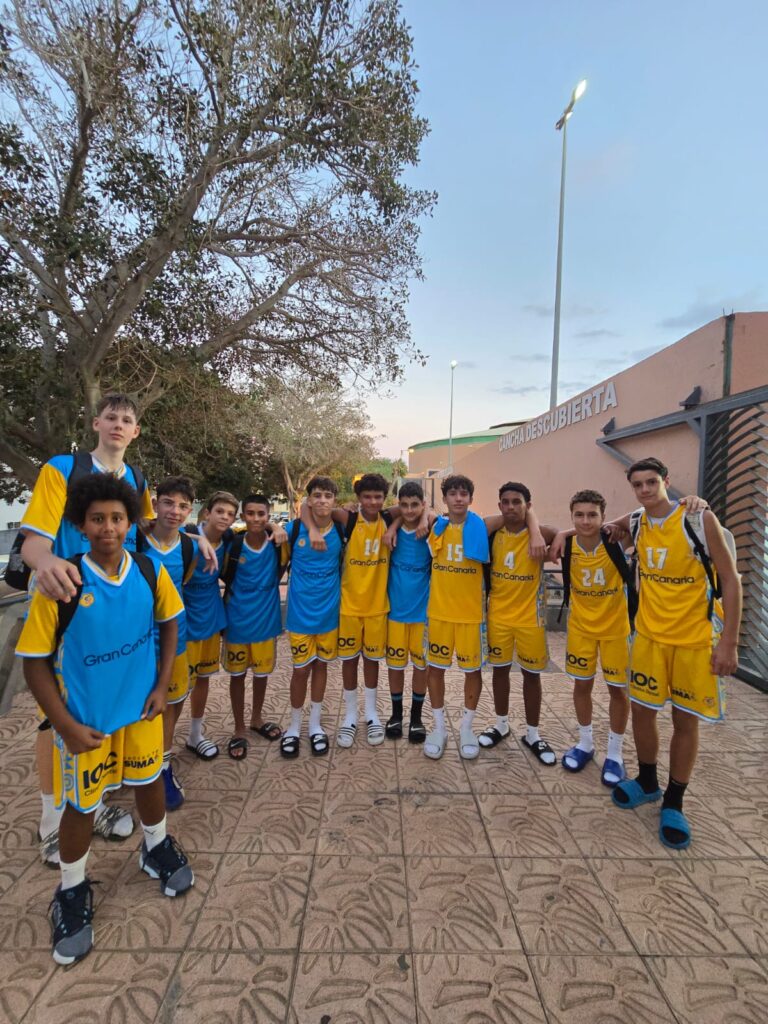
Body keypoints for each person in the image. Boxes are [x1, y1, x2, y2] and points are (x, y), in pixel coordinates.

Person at [15, 473, 193, 965]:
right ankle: (71, 890)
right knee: (82, 807)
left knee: (150, 779)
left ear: (131, 521)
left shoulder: (147, 571)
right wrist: (65, 727)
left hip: (139, 713)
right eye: (98, 519)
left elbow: (169, 622)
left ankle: (155, 847)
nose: (109, 527)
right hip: (87, 723)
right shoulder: (63, 583)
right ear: (82, 524)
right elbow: (34, 662)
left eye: (117, 518)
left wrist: (160, 686)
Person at [18, 393, 152, 863]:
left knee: (101, 706)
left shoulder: (136, 479)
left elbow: (144, 541)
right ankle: (52, 818)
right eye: (111, 417)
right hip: (65, 607)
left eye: (127, 419)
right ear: (96, 422)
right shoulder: (61, 468)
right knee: (54, 713)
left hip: (111, 615)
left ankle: (87, 804)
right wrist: (50, 563)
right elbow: (33, 545)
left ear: (136, 431)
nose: (118, 424)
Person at [608, 457, 741, 850]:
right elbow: (610, 524)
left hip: (694, 641)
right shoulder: (637, 522)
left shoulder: (699, 521)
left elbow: (731, 582)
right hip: (648, 638)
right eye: (638, 485)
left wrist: (728, 642)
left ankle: (675, 801)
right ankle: (647, 780)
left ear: (667, 481)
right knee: (643, 712)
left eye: (652, 482)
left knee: (685, 722)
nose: (646, 490)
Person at [303, 473, 394, 747]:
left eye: (378, 497)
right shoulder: (349, 518)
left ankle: (372, 714)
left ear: (384, 499)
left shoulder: (388, 518)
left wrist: (394, 526)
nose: (373, 502)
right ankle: (351, 716)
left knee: (372, 661)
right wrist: (311, 530)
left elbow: (421, 509)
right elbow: (306, 506)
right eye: (367, 497)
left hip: (378, 607)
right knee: (350, 661)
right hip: (349, 606)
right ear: (358, 498)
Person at [558, 489, 633, 786]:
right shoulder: (566, 545)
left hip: (615, 629)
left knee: (617, 691)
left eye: (592, 515)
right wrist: (563, 533)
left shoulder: (616, 540)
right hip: (580, 630)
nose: (585, 521)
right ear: (572, 516)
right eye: (579, 515)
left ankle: (615, 753)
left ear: (603, 516)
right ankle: (585, 743)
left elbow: (640, 518)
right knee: (582, 687)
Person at [481, 482, 558, 765]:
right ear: (499, 505)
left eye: (517, 502)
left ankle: (534, 734)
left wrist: (536, 530)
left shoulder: (544, 534)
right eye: (506, 502)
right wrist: (530, 521)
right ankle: (501, 724)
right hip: (498, 616)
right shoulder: (492, 531)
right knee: (499, 672)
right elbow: (478, 523)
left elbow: (563, 534)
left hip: (530, 620)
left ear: (528, 504)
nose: (511, 506)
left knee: (531, 675)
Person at [138, 476, 198, 805]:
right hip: (137, 641)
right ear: (156, 504)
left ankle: (162, 767)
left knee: (172, 705)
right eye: (168, 503)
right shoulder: (134, 539)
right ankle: (129, 765)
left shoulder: (188, 546)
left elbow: (183, 585)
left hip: (177, 638)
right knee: (136, 705)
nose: (175, 511)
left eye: (183, 506)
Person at [422, 474, 490, 760]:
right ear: (445, 498)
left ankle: (466, 728)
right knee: (434, 670)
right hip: (438, 613)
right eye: (453, 493)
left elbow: (520, 513)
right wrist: (427, 511)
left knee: (472, 672)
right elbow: (399, 511)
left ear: (471, 499)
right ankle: (438, 728)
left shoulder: (483, 525)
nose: (459, 498)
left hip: (471, 616)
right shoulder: (434, 527)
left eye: (464, 493)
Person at [281, 477, 345, 758]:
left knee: (321, 668)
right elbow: (267, 533)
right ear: (308, 500)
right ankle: (293, 727)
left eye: (327, 496)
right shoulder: (294, 529)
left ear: (334, 501)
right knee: (300, 671)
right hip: (299, 617)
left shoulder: (342, 529)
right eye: (316, 495)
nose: (321, 500)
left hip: (329, 615)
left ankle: (315, 725)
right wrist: (274, 527)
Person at [221, 494, 288, 759]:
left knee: (261, 675)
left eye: (262, 514)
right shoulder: (233, 545)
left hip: (266, 622)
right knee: (237, 676)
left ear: (268, 516)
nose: (257, 519)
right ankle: (239, 728)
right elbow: (200, 534)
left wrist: (278, 528)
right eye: (251, 513)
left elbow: (282, 568)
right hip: (236, 621)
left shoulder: (278, 544)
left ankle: (257, 719)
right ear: (242, 516)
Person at [182, 491, 240, 776]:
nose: (225, 518)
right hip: (182, 621)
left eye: (230, 514)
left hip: (212, 617)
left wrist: (276, 526)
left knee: (203, 680)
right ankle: (160, 752)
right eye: (220, 512)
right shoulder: (186, 536)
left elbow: (262, 525)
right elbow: (152, 526)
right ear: (206, 512)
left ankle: (195, 734)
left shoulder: (228, 541)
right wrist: (197, 537)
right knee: (176, 689)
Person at [384, 482, 432, 742]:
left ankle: (416, 717)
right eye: (404, 505)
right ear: (399, 505)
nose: (410, 509)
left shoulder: (431, 528)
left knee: (420, 666)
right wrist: (394, 524)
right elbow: (389, 512)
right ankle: (395, 715)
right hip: (395, 614)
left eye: (415, 505)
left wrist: (426, 515)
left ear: (423, 504)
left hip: (422, 615)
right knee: (395, 666)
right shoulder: (391, 530)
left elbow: (435, 514)